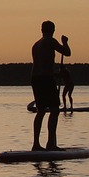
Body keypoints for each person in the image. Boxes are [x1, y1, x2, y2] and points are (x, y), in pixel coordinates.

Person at [31, 21, 72, 151]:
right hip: (45, 79)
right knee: (54, 110)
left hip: (36, 78)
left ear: (41, 30)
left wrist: (55, 74)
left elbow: (42, 65)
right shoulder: (50, 41)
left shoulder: (36, 45)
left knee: (41, 111)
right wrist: (65, 42)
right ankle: (50, 143)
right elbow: (67, 52)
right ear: (53, 30)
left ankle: (36, 144)